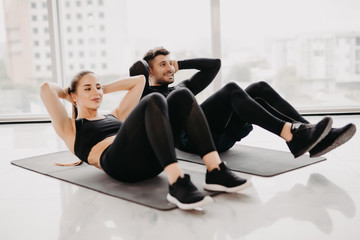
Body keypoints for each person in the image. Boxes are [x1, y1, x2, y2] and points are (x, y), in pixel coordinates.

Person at [40, 70, 252, 211]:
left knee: (181, 95)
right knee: (154, 99)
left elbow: (139, 81)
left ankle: (215, 171)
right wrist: (68, 94)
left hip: (151, 162)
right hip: (119, 165)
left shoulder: (115, 114)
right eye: (88, 89)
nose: (96, 92)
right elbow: (46, 89)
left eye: (98, 87)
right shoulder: (70, 127)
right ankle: (177, 182)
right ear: (74, 96)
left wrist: (102, 87)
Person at [129, 47, 356, 158]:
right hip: (193, 140)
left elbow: (214, 64)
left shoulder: (183, 87)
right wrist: (145, 70)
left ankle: (317, 137)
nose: (169, 68)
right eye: (162, 65)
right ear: (150, 71)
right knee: (230, 90)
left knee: (259, 88)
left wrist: (177, 63)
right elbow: (136, 71)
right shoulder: (147, 94)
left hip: (223, 136)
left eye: (170, 63)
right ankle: (292, 135)